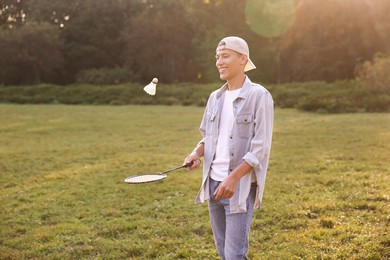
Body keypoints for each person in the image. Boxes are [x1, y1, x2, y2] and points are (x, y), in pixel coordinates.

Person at [184, 36, 274, 260]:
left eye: (225, 56)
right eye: (217, 57)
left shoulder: (259, 96)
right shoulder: (214, 97)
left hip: (239, 186)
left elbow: (260, 148)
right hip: (214, 183)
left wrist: (233, 178)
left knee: (234, 255)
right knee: (223, 253)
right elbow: (208, 137)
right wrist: (196, 153)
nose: (219, 62)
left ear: (243, 59)